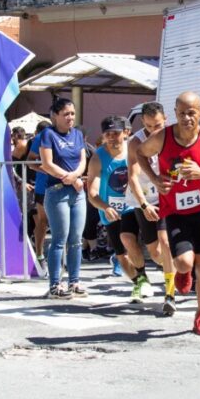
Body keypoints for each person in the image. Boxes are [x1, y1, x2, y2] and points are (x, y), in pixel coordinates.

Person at [135, 92, 200, 336]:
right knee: (183, 263)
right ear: (175, 113)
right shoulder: (163, 136)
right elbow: (140, 153)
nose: (187, 118)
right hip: (175, 211)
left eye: (192, 112)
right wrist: (155, 179)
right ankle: (183, 272)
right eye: (182, 113)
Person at [86, 115, 157, 303]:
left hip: (133, 204)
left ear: (125, 132)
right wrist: (105, 207)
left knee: (131, 239)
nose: (112, 137)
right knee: (121, 255)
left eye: (116, 133)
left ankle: (154, 275)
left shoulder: (134, 149)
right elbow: (92, 193)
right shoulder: (98, 158)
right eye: (107, 134)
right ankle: (139, 281)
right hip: (111, 209)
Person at [126, 101, 178, 316]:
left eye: (157, 126)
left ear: (165, 119)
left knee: (165, 244)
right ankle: (175, 267)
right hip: (144, 199)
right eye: (148, 126)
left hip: (166, 198)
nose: (153, 131)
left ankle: (170, 293)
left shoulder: (173, 136)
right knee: (156, 253)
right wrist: (144, 204)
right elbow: (132, 176)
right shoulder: (136, 141)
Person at [38, 98, 88, 299]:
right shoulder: (48, 135)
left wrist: (75, 176)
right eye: (66, 114)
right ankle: (54, 285)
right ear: (55, 116)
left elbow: (83, 160)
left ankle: (74, 281)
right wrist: (66, 178)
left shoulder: (77, 134)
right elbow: (47, 163)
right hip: (57, 190)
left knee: (76, 239)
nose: (70, 118)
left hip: (77, 192)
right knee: (59, 238)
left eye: (72, 114)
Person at [26, 120, 52, 265]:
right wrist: (48, 170)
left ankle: (63, 256)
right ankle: (40, 254)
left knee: (62, 222)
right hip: (43, 186)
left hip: (63, 184)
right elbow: (30, 162)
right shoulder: (40, 137)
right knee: (42, 220)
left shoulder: (71, 134)